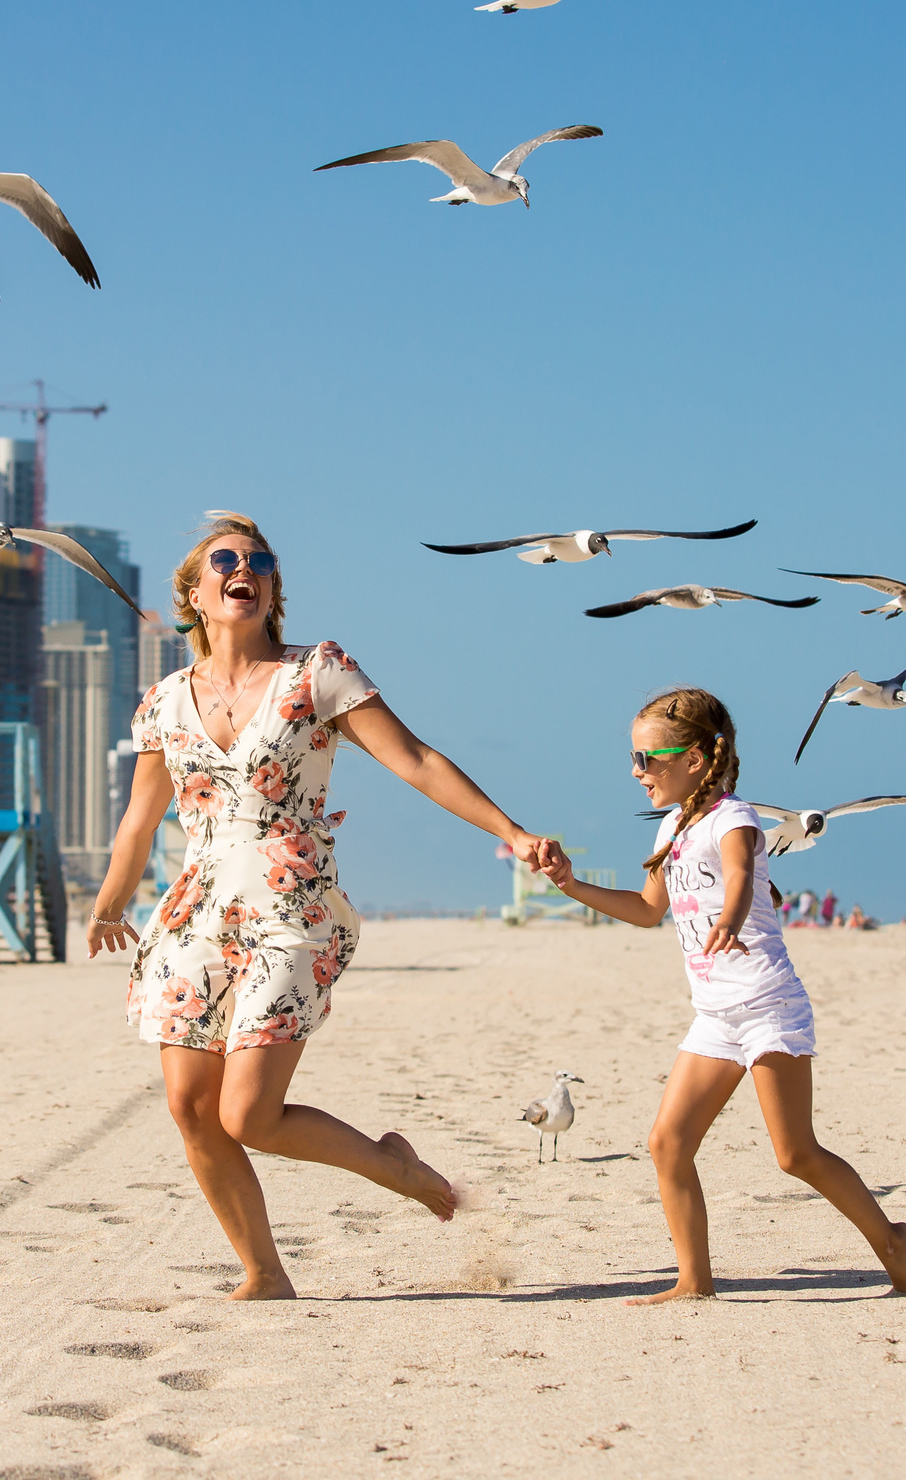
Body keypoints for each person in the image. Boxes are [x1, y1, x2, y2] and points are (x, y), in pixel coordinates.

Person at [87, 512, 565, 1301]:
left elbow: (413, 758)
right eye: (227, 560)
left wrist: (510, 831)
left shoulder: (317, 672)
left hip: (290, 903)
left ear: (270, 587)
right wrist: (110, 900)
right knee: (190, 1107)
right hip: (195, 910)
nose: (246, 568)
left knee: (249, 1113)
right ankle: (265, 1271)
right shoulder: (164, 702)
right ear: (194, 593)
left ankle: (393, 1166)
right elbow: (141, 818)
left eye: (260, 560)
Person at [545, 687, 906, 1304]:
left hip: (768, 1004)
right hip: (715, 1016)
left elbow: (743, 871)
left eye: (647, 759)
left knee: (795, 1154)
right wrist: (571, 886)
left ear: (693, 759)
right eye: (634, 759)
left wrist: (732, 913)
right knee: (667, 1143)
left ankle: (892, 1241)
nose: (636, 772)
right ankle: (694, 1281)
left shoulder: (735, 819)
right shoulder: (671, 827)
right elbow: (646, 912)